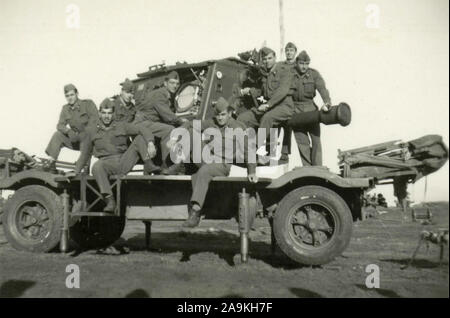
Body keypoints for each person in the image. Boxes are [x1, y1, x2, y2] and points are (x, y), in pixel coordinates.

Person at [172, 97, 258, 227]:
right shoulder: (212, 123)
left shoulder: (237, 127)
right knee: (190, 133)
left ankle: (195, 212)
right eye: (218, 115)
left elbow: (249, 150)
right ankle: (177, 165)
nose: (220, 118)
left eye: (223, 115)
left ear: (229, 113)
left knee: (203, 172)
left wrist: (252, 171)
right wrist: (176, 136)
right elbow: (191, 124)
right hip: (209, 159)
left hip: (225, 164)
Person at [71, 99, 157, 212]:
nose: (107, 116)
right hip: (106, 163)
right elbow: (85, 153)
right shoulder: (91, 130)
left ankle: (149, 164)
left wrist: (150, 143)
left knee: (140, 137)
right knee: (96, 166)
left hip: (124, 160)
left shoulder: (121, 126)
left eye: (109, 113)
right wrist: (76, 171)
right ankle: (110, 201)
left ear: (113, 114)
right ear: (100, 113)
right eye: (104, 113)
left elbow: (142, 129)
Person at [237, 47, 294, 155]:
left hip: (284, 106)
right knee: (243, 118)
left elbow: (282, 91)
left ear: (275, 58)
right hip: (270, 107)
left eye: (270, 58)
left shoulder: (284, 71)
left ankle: (253, 149)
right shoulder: (265, 74)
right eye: (265, 59)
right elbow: (263, 92)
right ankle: (241, 146)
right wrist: (250, 91)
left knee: (268, 118)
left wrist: (268, 105)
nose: (267, 61)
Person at [135, 71, 187, 175]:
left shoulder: (165, 94)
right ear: (165, 83)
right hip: (142, 123)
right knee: (169, 130)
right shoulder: (160, 94)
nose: (175, 86)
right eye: (172, 83)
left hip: (148, 123)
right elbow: (167, 115)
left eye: (177, 84)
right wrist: (181, 121)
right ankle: (166, 164)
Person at [45, 84, 98, 172]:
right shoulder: (65, 109)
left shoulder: (88, 104)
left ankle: (83, 166)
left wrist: (83, 134)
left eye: (72, 95)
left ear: (77, 93)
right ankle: (51, 162)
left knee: (86, 137)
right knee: (57, 135)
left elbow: (95, 121)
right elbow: (60, 125)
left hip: (90, 140)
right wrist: (68, 131)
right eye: (67, 96)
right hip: (76, 139)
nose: (70, 98)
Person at [291, 50, 331, 166]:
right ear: (297, 63)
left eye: (306, 64)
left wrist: (327, 102)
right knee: (302, 143)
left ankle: (317, 169)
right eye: (301, 64)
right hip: (295, 111)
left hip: (311, 111)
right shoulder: (290, 74)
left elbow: (322, 89)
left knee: (316, 140)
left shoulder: (314, 74)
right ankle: (308, 170)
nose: (304, 67)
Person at [113, 79, 160, 174]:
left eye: (131, 93)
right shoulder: (113, 106)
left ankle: (149, 166)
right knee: (141, 136)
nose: (129, 96)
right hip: (114, 152)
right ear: (121, 92)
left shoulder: (132, 108)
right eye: (127, 92)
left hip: (125, 149)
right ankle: (149, 165)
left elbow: (137, 123)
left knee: (141, 138)